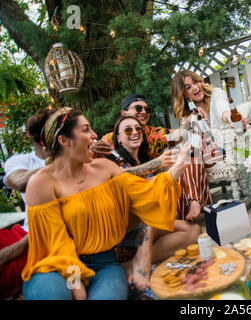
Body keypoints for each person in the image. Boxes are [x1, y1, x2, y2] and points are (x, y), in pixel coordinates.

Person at [21, 107, 190, 300]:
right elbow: (57, 244)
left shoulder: (105, 168)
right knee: (56, 295)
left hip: (103, 264)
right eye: (85, 130)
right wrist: (76, 285)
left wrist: (175, 171)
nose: (95, 135)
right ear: (64, 141)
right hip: (55, 265)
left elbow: (145, 195)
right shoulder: (41, 183)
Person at [110, 115, 201, 290]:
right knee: (152, 196)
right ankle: (139, 259)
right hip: (127, 231)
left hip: (149, 225)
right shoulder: (113, 161)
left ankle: (137, 259)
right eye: (128, 130)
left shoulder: (145, 158)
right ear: (118, 138)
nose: (135, 132)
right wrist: (171, 169)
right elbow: (130, 182)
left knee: (194, 231)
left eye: (138, 129)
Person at [94, 93, 211, 221]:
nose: (144, 112)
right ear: (123, 112)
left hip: (155, 182)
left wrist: (190, 120)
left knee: (188, 149)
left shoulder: (152, 133)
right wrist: (90, 149)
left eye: (147, 109)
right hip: (131, 196)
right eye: (138, 108)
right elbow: (113, 176)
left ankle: (194, 201)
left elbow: (179, 135)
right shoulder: (108, 140)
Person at [0, 110, 49, 299]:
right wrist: (58, 163)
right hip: (25, 232)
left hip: (47, 241)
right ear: (30, 134)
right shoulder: (21, 161)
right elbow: (19, 182)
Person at [171, 69, 236, 150]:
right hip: (212, 158)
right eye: (188, 87)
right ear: (183, 95)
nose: (195, 88)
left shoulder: (216, 93)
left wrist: (228, 115)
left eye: (195, 82)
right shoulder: (186, 116)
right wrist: (189, 121)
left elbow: (222, 108)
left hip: (232, 149)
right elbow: (179, 140)